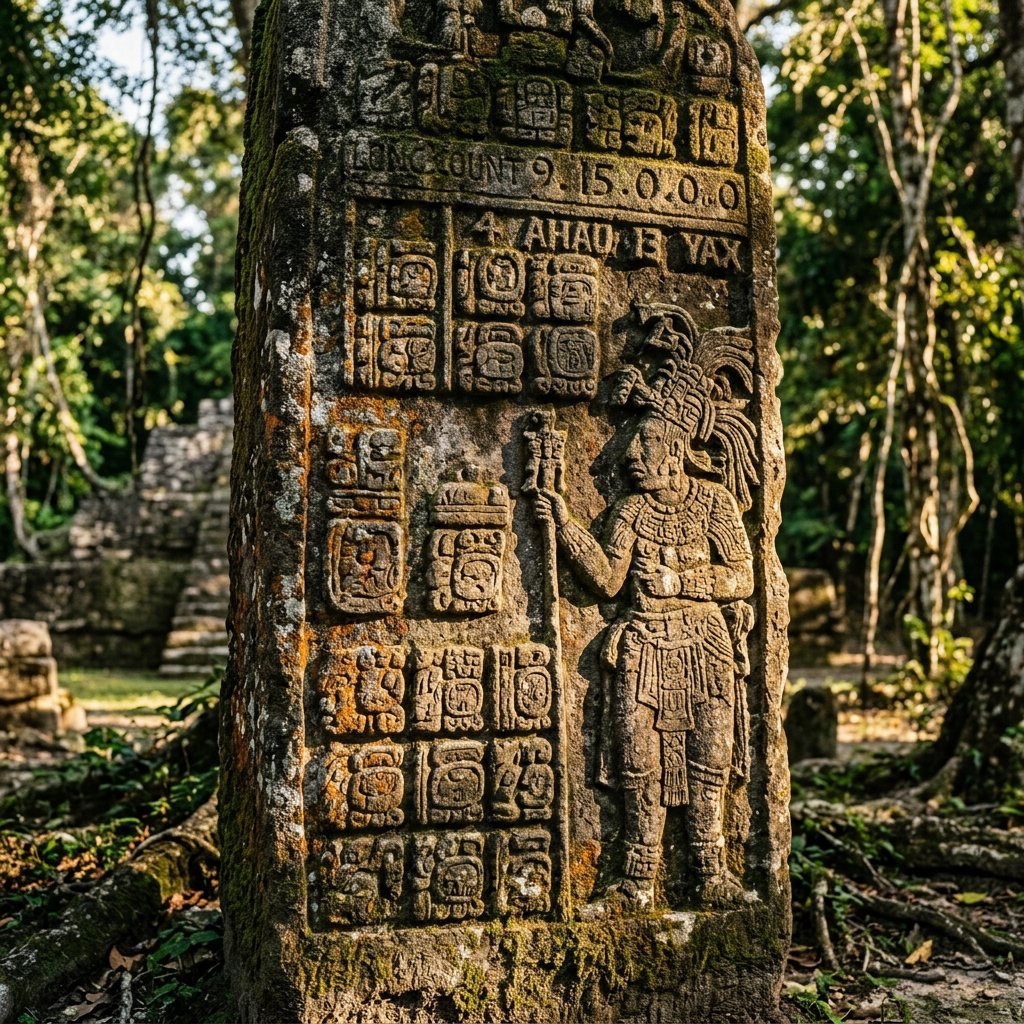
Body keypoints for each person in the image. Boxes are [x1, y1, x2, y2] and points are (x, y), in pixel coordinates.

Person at [533, 305, 757, 908]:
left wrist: (681, 576)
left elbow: (742, 576)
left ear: (680, 448)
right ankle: (637, 879)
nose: (636, 455)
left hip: (705, 646)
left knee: (709, 760)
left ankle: (711, 872)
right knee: (640, 764)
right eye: (635, 444)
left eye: (651, 444)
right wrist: (563, 521)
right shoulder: (631, 510)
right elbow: (606, 580)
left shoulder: (714, 505)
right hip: (645, 645)